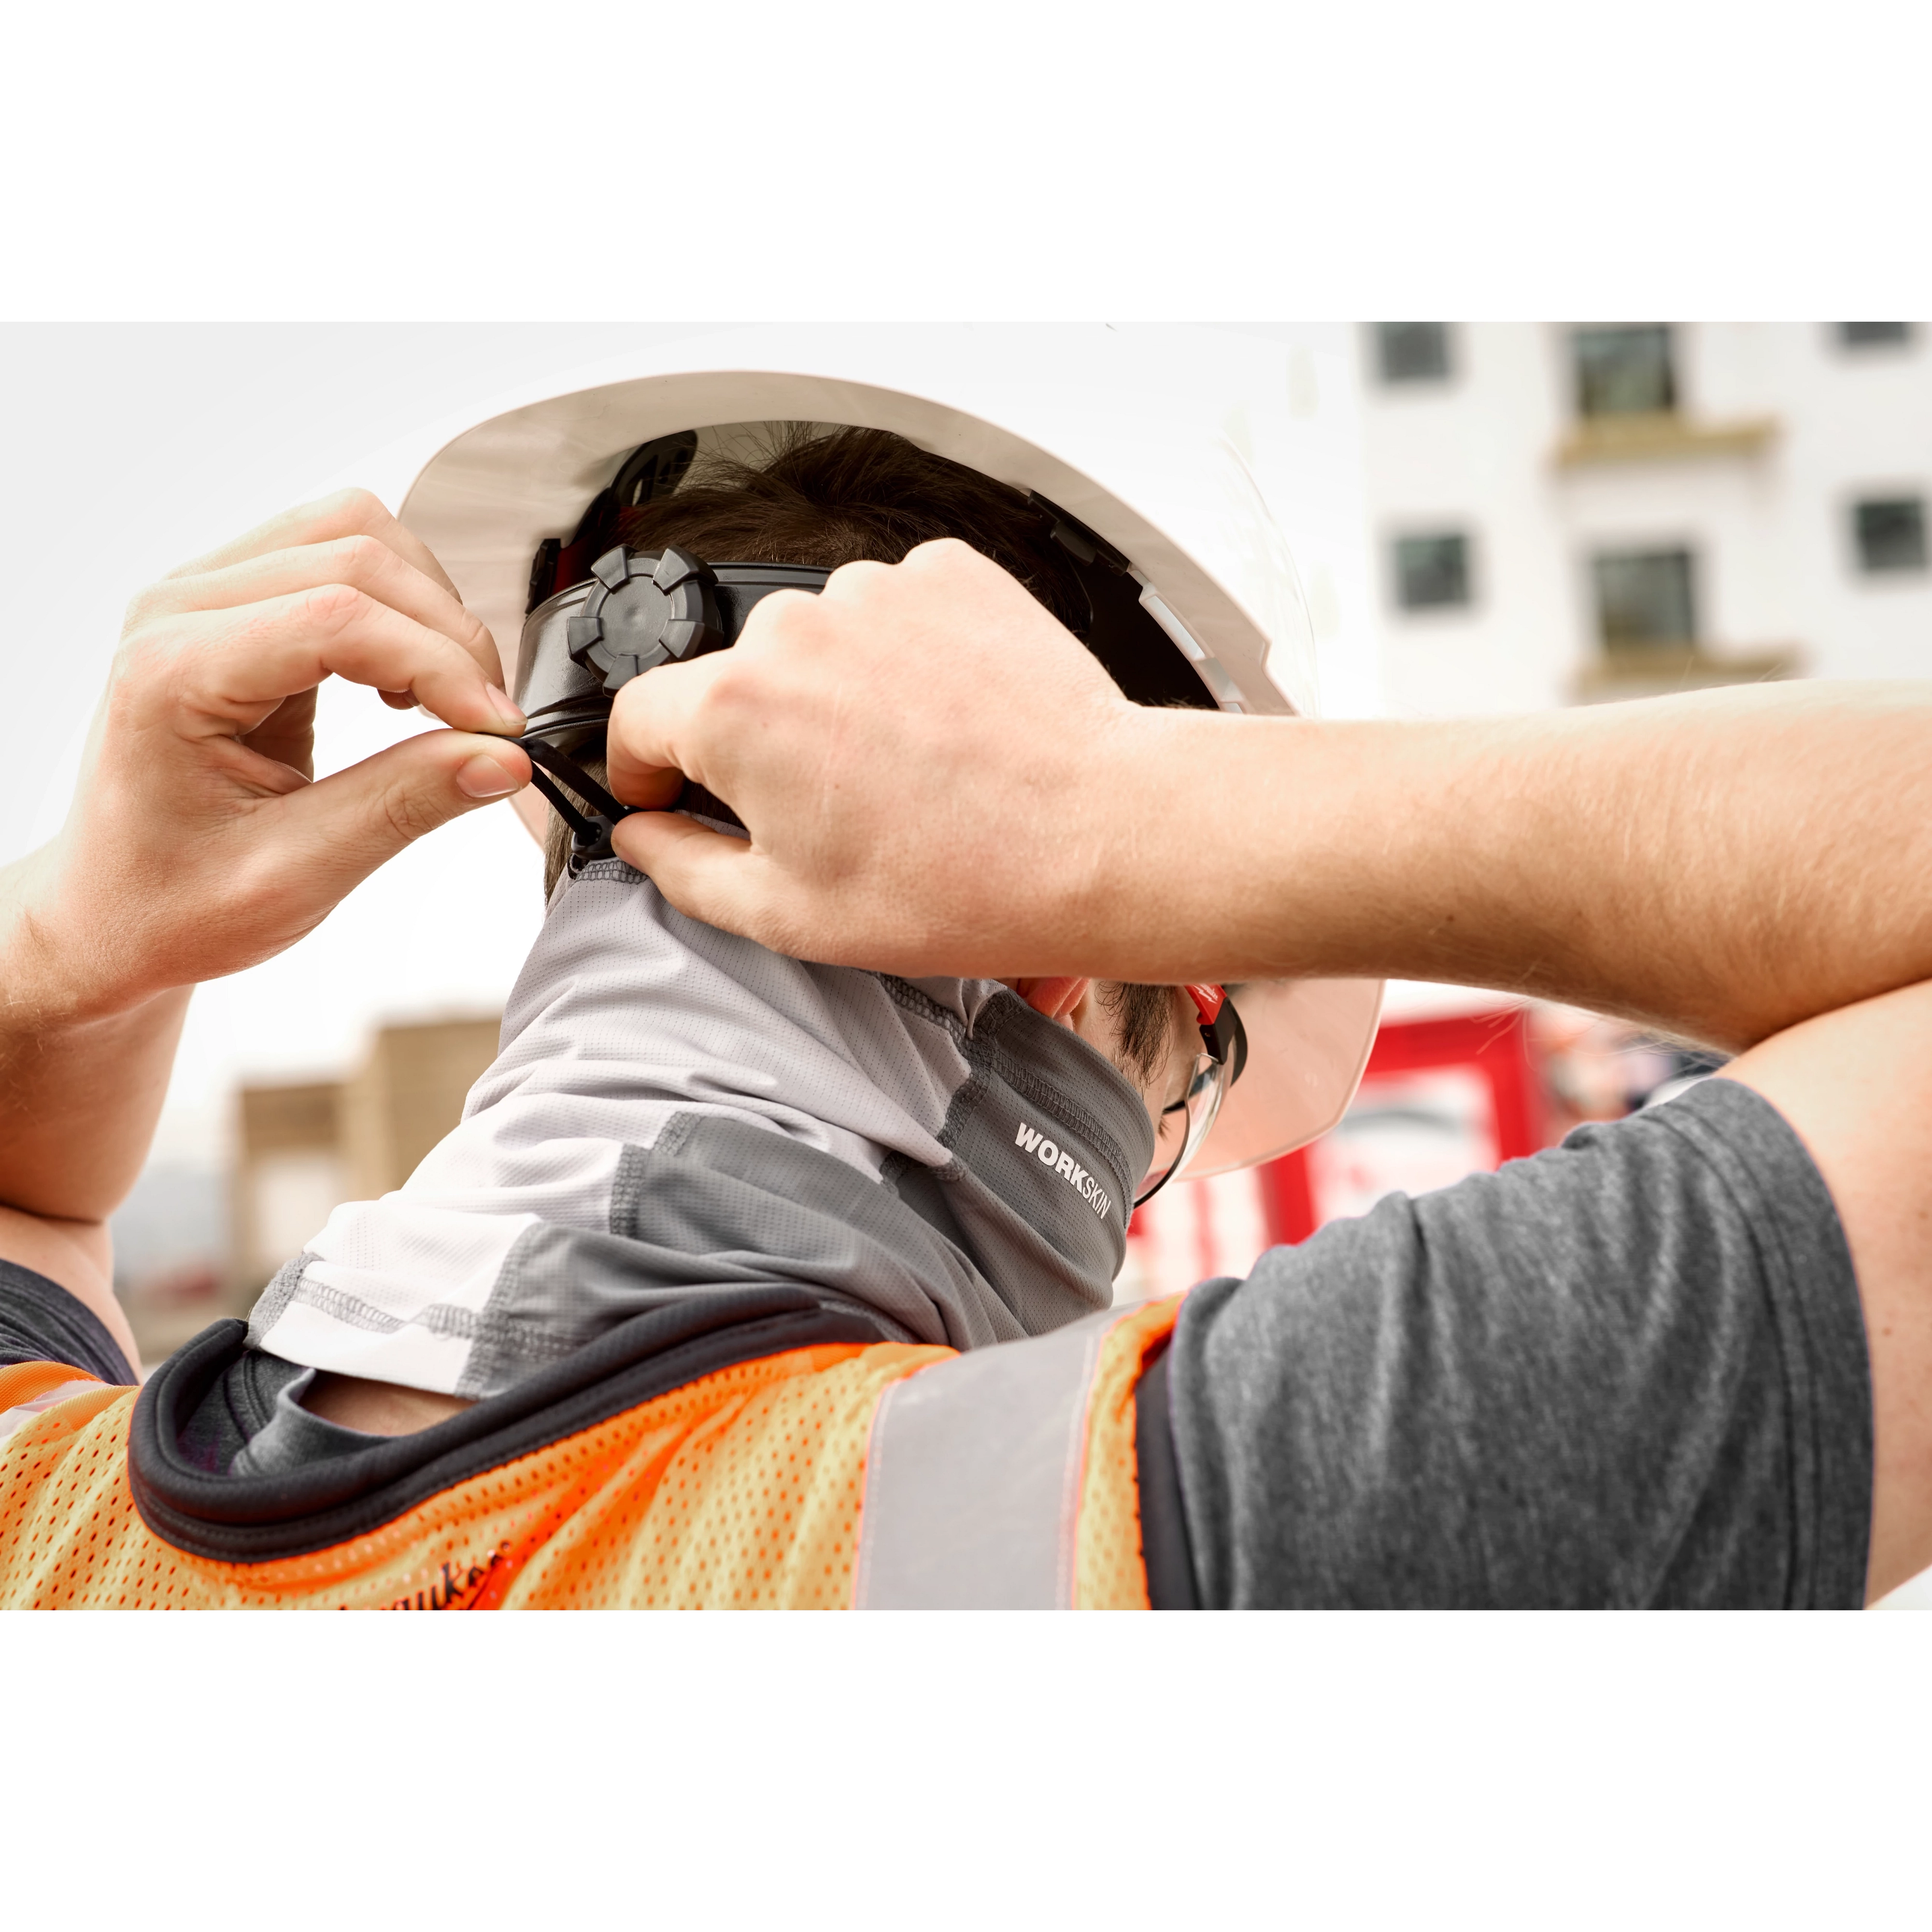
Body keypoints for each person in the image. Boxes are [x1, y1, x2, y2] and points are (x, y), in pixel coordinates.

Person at [3, 359, 1926, 1605]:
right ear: (1068, 965)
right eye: (1184, 1098)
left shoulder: (54, 1518)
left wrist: (73, 939)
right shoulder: (1208, 1510)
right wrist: (1132, 817)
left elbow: (30, 1198)